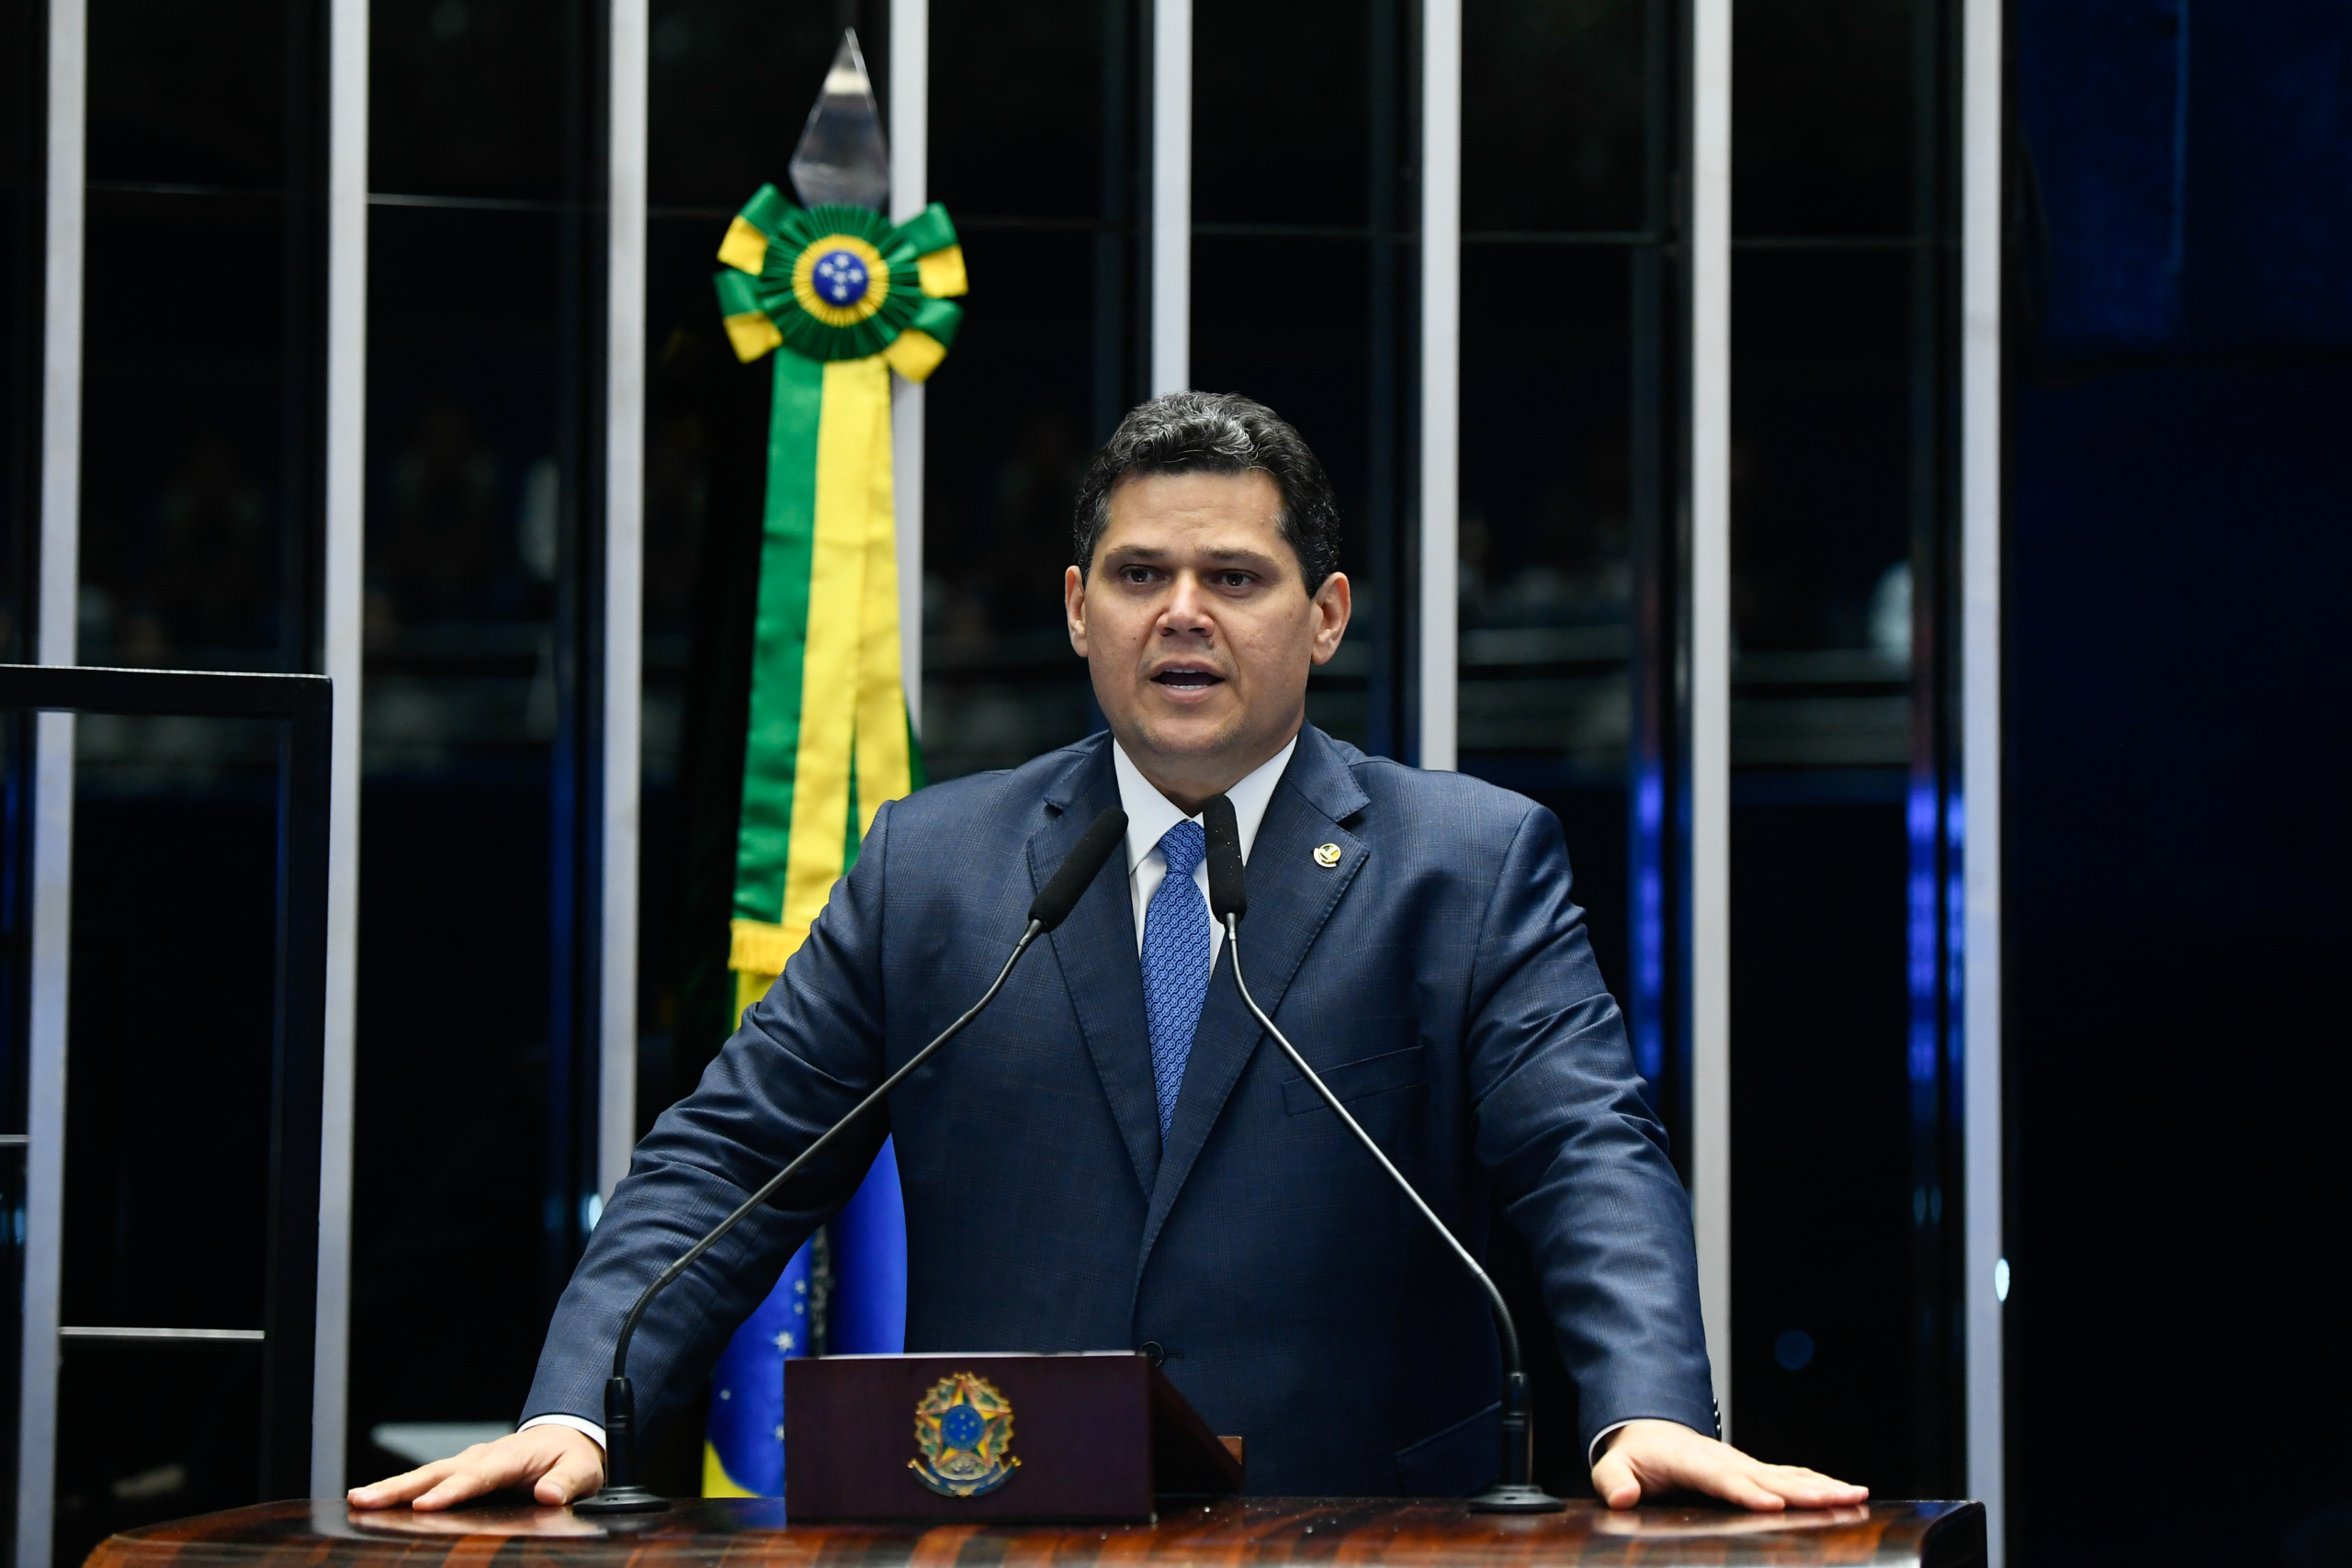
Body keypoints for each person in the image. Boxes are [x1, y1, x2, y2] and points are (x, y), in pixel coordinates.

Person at [353, 392, 1864, 1515]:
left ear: (1327, 614)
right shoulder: (933, 870)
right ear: (1078, 611)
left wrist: (1645, 1407)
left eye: (1237, 577)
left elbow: (1584, 1151)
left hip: (1360, 1541)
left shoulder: (1465, 866)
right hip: (1004, 1535)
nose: (1183, 615)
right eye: (1140, 577)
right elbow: (727, 1157)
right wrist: (583, 1407)